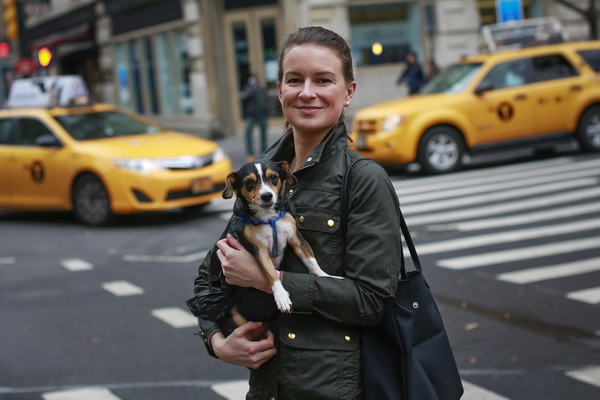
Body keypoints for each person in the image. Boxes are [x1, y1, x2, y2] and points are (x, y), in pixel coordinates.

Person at [192, 26, 403, 400]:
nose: (307, 92)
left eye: (323, 80)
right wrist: (217, 340)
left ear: (348, 92)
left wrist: (267, 280)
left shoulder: (364, 179)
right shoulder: (256, 178)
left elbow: (373, 302)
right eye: (295, 80)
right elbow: (211, 276)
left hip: (335, 390)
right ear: (280, 90)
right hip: (268, 389)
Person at [241, 73, 269, 160]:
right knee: (248, 133)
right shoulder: (249, 89)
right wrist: (252, 87)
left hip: (261, 114)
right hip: (251, 115)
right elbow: (246, 96)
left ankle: (264, 152)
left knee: (263, 133)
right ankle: (250, 154)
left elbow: (265, 99)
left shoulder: (261, 88)